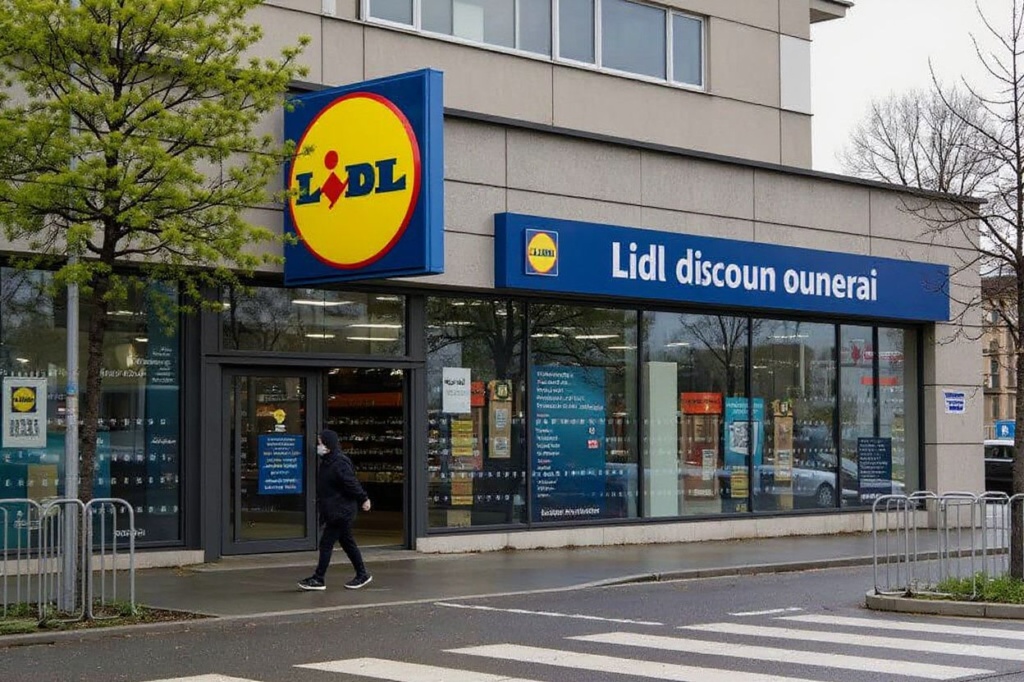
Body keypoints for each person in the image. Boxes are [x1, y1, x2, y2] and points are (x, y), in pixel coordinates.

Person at [298, 429, 372, 591]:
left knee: (326, 543)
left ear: (329, 444)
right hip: (335, 509)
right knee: (347, 543)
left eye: (320, 443)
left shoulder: (339, 463)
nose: (319, 446)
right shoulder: (328, 461)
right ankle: (362, 574)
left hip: (341, 511)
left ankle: (319, 578)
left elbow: (351, 483)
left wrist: (363, 498)